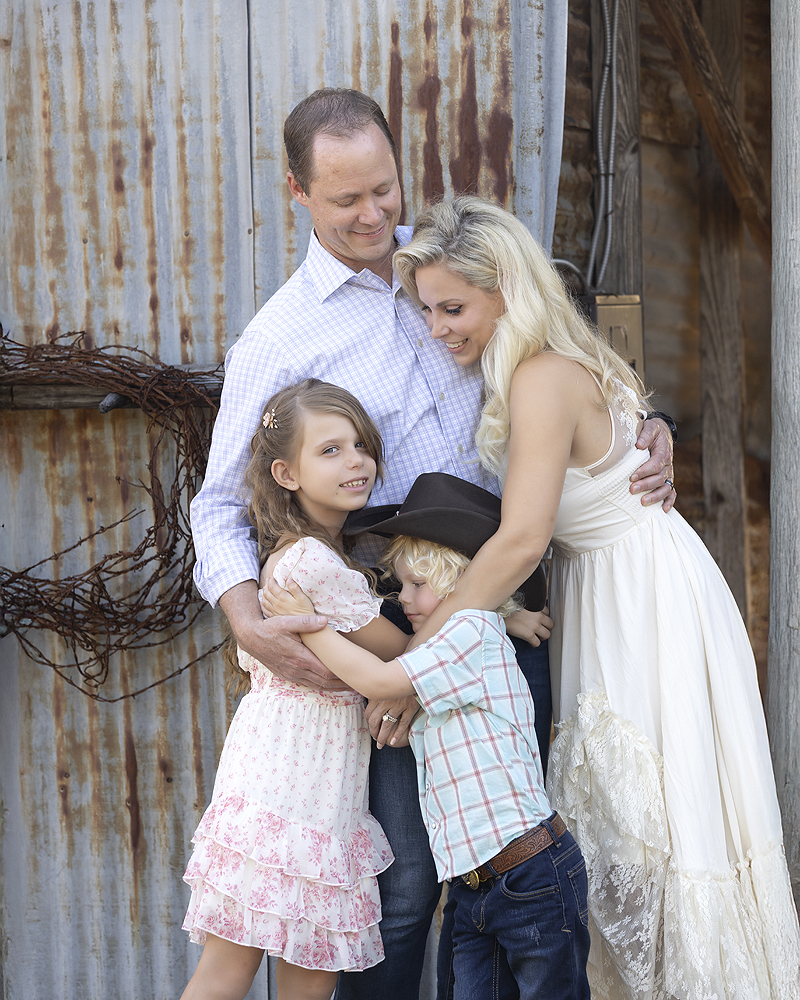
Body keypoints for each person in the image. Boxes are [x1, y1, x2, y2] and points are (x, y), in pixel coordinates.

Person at [189, 87, 676, 999]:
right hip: (395, 624)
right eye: (346, 201)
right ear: (297, 193)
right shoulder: (278, 339)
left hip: (511, 614)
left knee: (514, 869)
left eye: (384, 188)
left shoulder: (448, 276)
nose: (373, 214)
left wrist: (644, 427)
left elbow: (557, 363)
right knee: (406, 889)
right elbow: (217, 507)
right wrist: (245, 614)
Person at [392, 195, 800, 999]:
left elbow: (519, 540)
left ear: (506, 288)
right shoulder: (557, 360)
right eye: (428, 310)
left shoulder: (541, 377)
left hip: (639, 606)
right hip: (626, 586)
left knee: (646, 824)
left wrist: (421, 660)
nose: (437, 328)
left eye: (452, 307)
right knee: (631, 827)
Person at [262, 471, 592, 1000]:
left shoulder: (467, 635)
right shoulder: (465, 640)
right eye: (401, 585)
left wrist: (310, 625)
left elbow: (379, 679)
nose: (406, 598)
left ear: (462, 585)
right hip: (475, 886)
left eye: (419, 585)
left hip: (530, 876)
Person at [181, 380, 408, 1000]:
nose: (356, 461)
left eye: (361, 445)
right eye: (330, 451)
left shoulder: (305, 555)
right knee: (257, 971)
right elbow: (404, 652)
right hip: (296, 780)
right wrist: (495, 614)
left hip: (297, 771)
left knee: (298, 969)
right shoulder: (311, 563)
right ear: (285, 473)